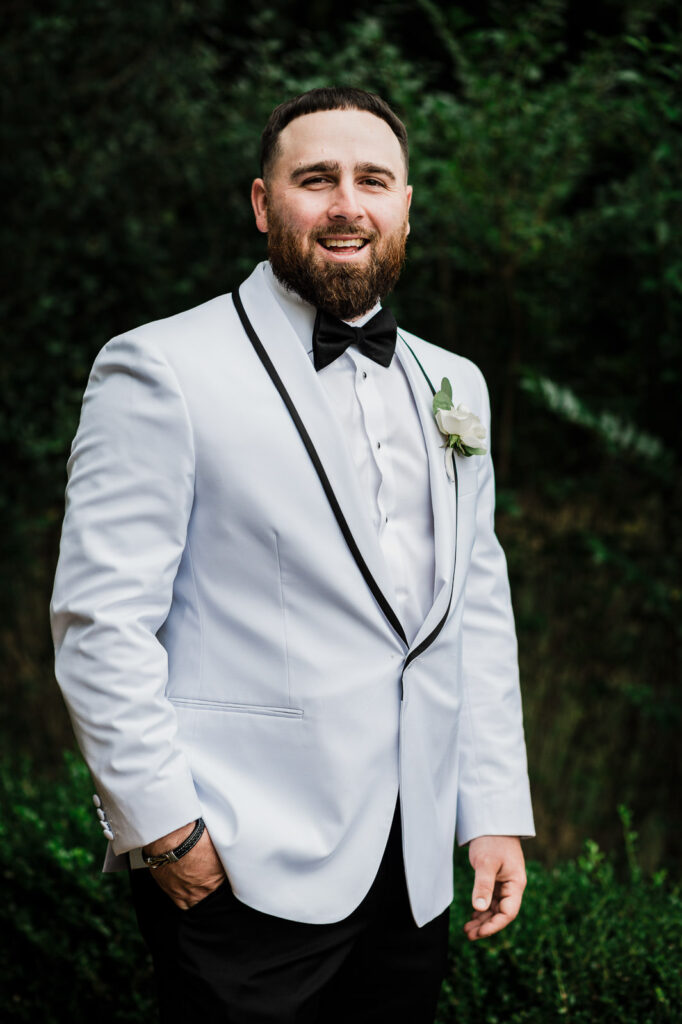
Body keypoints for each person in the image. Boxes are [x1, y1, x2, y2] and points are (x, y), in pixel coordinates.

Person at [50, 87, 534, 1023]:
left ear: (405, 205)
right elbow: (100, 622)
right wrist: (165, 833)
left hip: (411, 874)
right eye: (316, 179)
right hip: (240, 863)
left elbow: (473, 607)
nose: (346, 203)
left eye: (372, 180)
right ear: (265, 204)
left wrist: (492, 806)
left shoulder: (453, 381)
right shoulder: (161, 368)